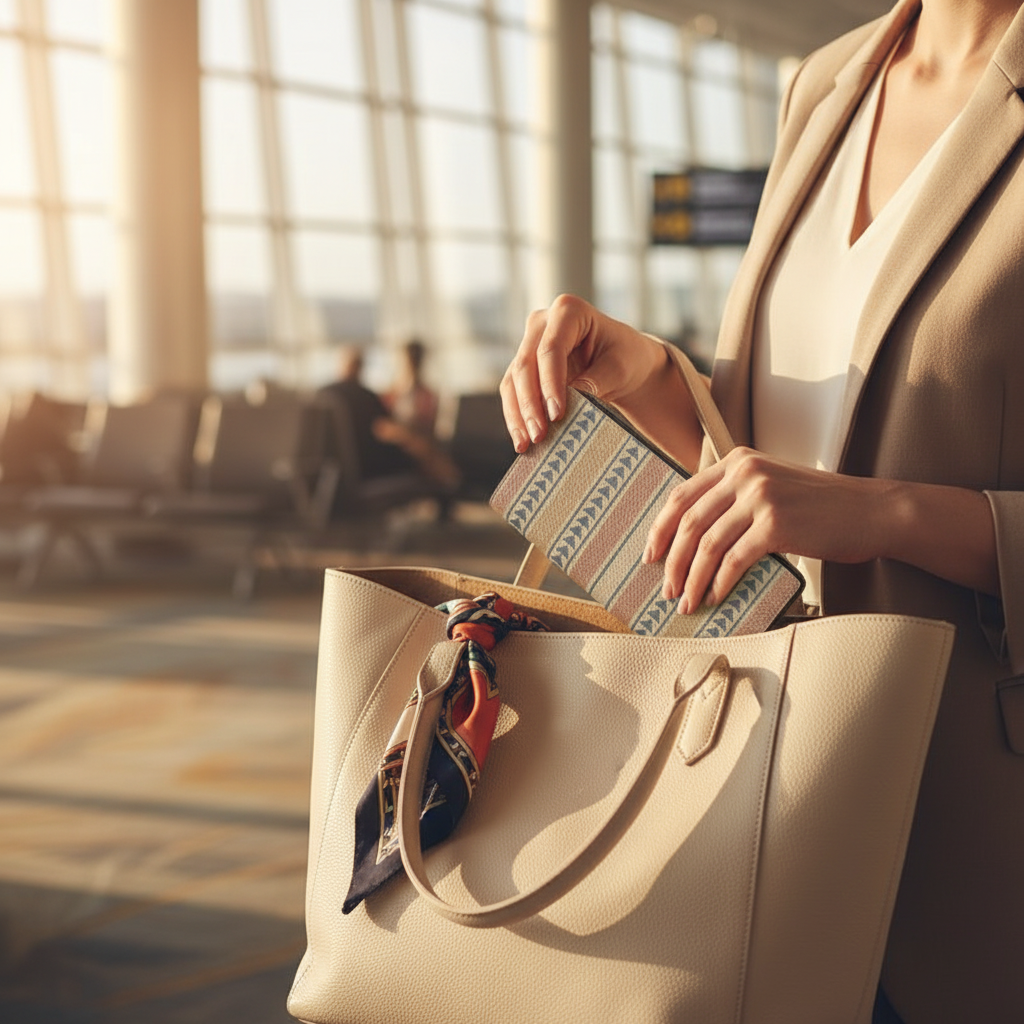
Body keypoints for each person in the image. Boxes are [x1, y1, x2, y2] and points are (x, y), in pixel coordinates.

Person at [499, 0, 1024, 1021]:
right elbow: (770, 449)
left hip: (967, 808)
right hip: (763, 767)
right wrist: (649, 376)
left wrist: (887, 515)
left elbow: (844, 491)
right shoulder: (824, 81)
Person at [384, 338, 440, 439]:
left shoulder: (428, 396)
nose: (412, 364)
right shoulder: (390, 395)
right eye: (410, 359)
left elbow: (430, 428)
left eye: (416, 359)